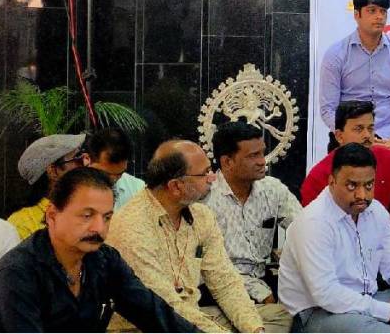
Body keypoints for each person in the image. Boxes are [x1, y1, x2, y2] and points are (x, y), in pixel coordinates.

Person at [106, 140, 288, 332]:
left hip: (194, 313)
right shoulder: (132, 227)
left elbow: (225, 281)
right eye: (205, 173)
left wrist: (255, 329)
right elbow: (166, 310)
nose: (213, 178)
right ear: (176, 186)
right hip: (149, 326)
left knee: (278, 316)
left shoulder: (201, 215)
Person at [0, 167, 197, 332]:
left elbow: (155, 315)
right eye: (87, 215)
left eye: (107, 217)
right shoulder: (17, 273)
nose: (99, 228)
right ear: (52, 215)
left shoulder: (104, 259)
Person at [280, 143, 390, 333]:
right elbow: (326, 293)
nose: (362, 195)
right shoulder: (314, 221)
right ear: (332, 182)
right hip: (318, 313)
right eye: (352, 185)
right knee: (384, 331)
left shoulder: (376, 211)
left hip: (369, 301)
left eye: (369, 185)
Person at [319, 0, 390, 174]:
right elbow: (328, 109)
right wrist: (354, 135)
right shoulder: (336, 55)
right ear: (357, 15)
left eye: (383, 11)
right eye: (372, 11)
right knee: (336, 179)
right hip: (349, 135)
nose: (379, 16)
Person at [203, 120, 302, 304]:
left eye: (262, 153)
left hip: (264, 278)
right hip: (218, 285)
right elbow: (209, 268)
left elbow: (304, 229)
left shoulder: (273, 189)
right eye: (253, 156)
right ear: (227, 162)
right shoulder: (205, 198)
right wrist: (261, 294)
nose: (262, 161)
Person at [300, 101, 390, 233]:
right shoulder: (317, 177)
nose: (367, 135)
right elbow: (311, 230)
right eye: (359, 129)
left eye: (370, 128)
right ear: (339, 136)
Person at [8, 133, 90, 239]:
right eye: (77, 159)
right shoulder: (22, 223)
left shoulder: (91, 207)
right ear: (53, 171)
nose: (86, 163)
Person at [86, 128, 147, 209]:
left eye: (120, 174)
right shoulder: (72, 190)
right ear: (87, 159)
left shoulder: (137, 189)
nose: (113, 179)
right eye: (106, 173)